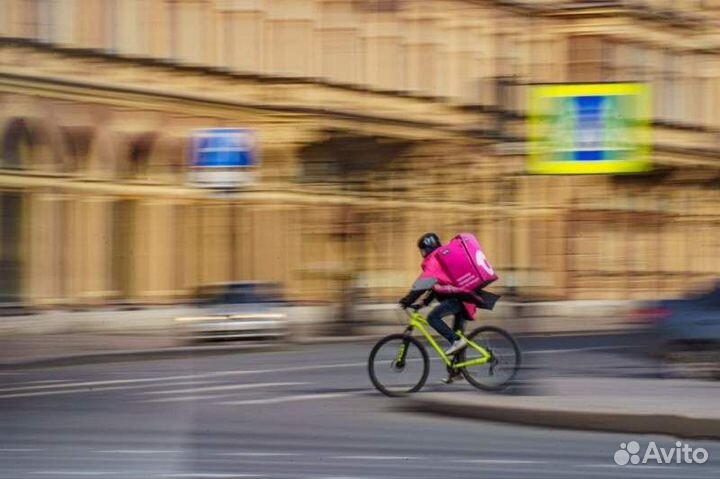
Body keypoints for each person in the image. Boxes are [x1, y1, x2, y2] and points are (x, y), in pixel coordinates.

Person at [399, 233, 486, 359]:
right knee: (457, 338)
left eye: (422, 250)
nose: (422, 253)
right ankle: (456, 371)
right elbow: (436, 286)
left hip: (459, 299)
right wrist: (423, 303)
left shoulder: (434, 259)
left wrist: (407, 300)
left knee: (433, 319)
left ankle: (456, 341)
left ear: (428, 248)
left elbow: (424, 283)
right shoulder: (441, 258)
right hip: (465, 299)